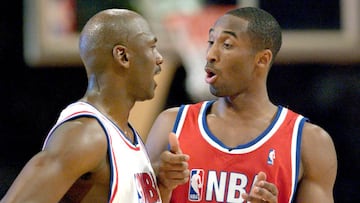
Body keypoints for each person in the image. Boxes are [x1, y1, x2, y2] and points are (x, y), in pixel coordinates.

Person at [145, 7, 337, 203]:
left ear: (262, 60)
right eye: (211, 42)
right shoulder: (171, 124)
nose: (211, 54)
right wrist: (161, 186)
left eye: (227, 45)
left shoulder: (309, 143)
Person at [1, 8, 164, 203]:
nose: (159, 58)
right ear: (123, 56)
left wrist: (164, 184)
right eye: (151, 47)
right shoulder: (85, 136)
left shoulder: (125, 133)